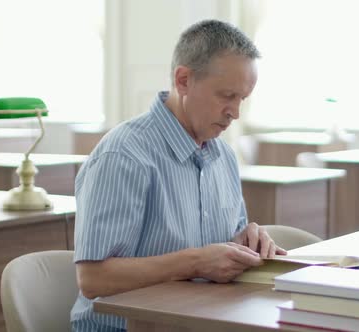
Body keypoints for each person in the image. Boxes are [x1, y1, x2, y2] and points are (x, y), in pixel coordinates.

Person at [70, 19, 286, 331]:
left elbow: (222, 248)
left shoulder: (223, 155)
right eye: (226, 95)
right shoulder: (123, 155)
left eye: (243, 98)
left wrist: (245, 241)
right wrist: (196, 262)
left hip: (199, 319)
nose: (235, 113)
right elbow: (92, 279)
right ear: (183, 80)